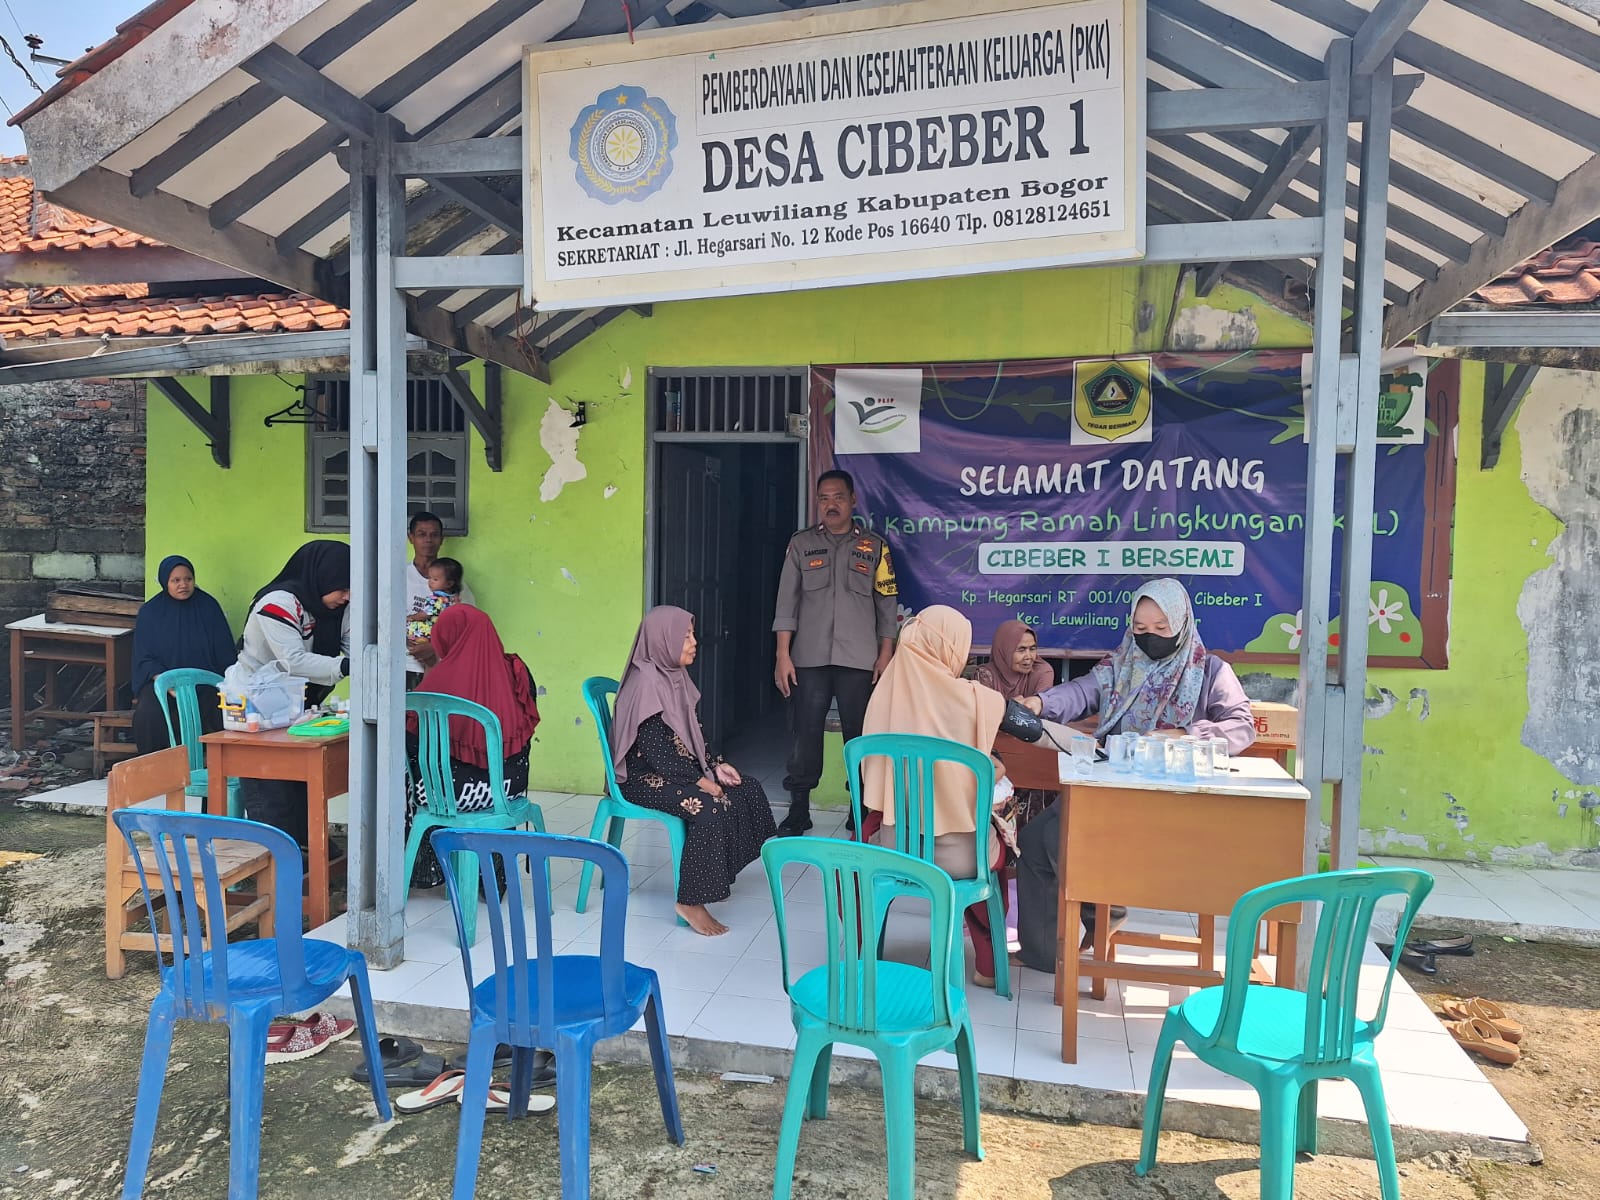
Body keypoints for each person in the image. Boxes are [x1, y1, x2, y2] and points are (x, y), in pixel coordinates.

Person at [1013, 579, 1257, 974]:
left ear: (1182, 623)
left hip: (1172, 801)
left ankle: (1104, 909)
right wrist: (1042, 702)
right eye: (1140, 628)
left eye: (1161, 627)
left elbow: (1242, 726)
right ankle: (1043, 953)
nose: (1150, 637)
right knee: (1035, 840)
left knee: (1063, 836)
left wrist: (1187, 734)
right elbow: (1082, 691)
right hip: (1111, 785)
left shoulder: (1210, 671)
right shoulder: (1121, 665)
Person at [859, 605, 1009, 988]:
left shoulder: (881, 698)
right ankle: (989, 966)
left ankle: (864, 952)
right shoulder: (978, 700)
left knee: (863, 834)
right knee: (999, 839)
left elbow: (870, 782)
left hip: (894, 851)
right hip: (960, 859)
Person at [614, 606, 776, 936]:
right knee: (708, 806)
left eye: (691, 634)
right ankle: (690, 901)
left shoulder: (673, 676)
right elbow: (657, 752)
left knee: (746, 788)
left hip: (676, 768)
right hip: (641, 777)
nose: (694, 642)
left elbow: (694, 733)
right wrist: (701, 781)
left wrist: (716, 765)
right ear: (663, 640)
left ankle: (716, 876)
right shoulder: (646, 683)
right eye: (685, 636)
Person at [771, 470, 898, 836]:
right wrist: (782, 654)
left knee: (859, 736)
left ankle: (860, 809)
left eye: (838, 497)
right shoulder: (801, 544)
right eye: (824, 498)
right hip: (808, 658)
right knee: (805, 734)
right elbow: (786, 601)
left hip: (859, 660)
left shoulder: (875, 547)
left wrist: (885, 654)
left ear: (853, 500)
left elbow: (887, 603)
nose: (831, 505)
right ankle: (799, 810)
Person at [405, 604, 540, 889]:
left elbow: (412, 743)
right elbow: (525, 738)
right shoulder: (517, 672)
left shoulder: (436, 684)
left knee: (407, 775)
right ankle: (493, 873)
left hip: (446, 795)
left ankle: (426, 867)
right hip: (505, 790)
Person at [235, 540, 352, 847]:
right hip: (258, 709)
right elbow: (294, 662)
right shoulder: (278, 603)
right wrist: (347, 665)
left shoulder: (338, 608)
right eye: (342, 587)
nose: (347, 596)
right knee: (273, 791)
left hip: (297, 708)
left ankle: (308, 849)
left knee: (305, 784)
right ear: (322, 578)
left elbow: (356, 650)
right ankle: (279, 855)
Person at [130, 555, 237, 754]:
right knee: (148, 713)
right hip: (162, 685)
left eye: (188, 579)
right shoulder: (150, 612)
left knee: (225, 707)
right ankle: (152, 763)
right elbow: (144, 657)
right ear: (165, 582)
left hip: (204, 683)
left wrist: (227, 681)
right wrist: (164, 681)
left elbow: (225, 651)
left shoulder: (208, 607)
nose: (183, 585)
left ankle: (220, 763)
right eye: (176, 580)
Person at [974, 619, 1057, 840]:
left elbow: (1037, 714)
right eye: (1021, 650)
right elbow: (985, 717)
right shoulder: (985, 674)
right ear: (1004, 649)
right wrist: (1013, 706)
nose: (1029, 656)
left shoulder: (1042, 671)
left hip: (1033, 755)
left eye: (1032, 648)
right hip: (996, 758)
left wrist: (1007, 706)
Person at [405, 511, 476, 681]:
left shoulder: (454, 584)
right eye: (422, 534)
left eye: (434, 535)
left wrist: (434, 647)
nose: (428, 540)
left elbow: (468, 626)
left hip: (443, 667)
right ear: (411, 538)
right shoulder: (399, 577)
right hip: (403, 665)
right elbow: (383, 619)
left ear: (442, 539)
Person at [405, 557, 464, 644]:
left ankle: (419, 639)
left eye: (435, 579)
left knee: (405, 626)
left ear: (449, 583)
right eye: (430, 578)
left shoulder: (435, 599)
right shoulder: (455, 598)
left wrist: (410, 617)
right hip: (444, 633)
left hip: (431, 631)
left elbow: (424, 615)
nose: (430, 582)